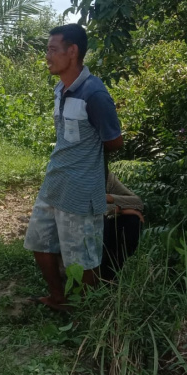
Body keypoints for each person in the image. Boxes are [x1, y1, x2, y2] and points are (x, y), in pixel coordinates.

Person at [24, 23, 123, 311]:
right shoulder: (60, 88)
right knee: (39, 242)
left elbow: (114, 141)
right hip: (55, 182)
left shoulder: (95, 94)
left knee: (82, 258)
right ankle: (59, 298)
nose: (47, 56)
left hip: (81, 189)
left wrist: (85, 159)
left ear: (72, 51)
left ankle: (86, 312)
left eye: (52, 50)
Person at [100, 172, 144, 281]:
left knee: (132, 220)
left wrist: (109, 198)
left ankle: (111, 274)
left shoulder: (106, 176)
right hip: (78, 229)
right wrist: (118, 209)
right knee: (102, 222)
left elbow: (137, 202)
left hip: (103, 225)